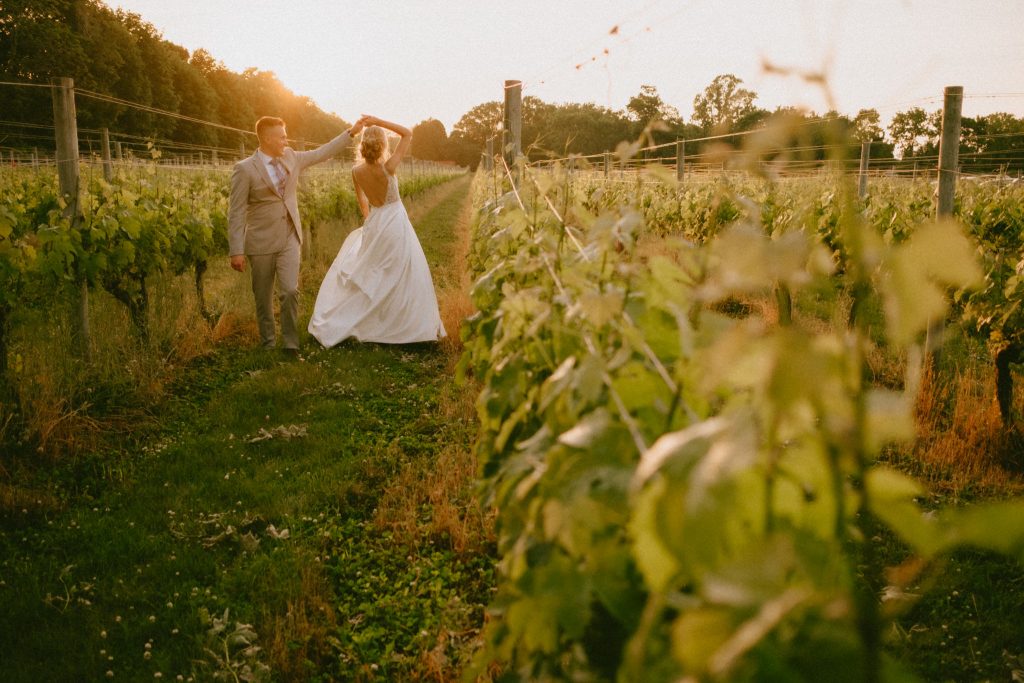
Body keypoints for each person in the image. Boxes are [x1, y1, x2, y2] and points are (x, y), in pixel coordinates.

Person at [228, 114, 368, 355]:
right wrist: (236, 250)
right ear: (267, 139)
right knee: (262, 297)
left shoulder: (291, 157)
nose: (286, 140)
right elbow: (236, 211)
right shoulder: (244, 170)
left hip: (290, 238)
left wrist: (351, 132)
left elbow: (322, 152)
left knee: (290, 291)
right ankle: (268, 343)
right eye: (282, 137)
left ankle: (291, 345)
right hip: (260, 242)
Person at [307, 116, 446, 346]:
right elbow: (407, 133)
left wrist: (369, 222)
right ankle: (399, 323)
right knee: (400, 271)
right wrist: (379, 122)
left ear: (363, 144)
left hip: (375, 220)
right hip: (394, 221)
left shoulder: (356, 171)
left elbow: (361, 200)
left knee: (375, 272)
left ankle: (374, 319)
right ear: (382, 144)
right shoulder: (389, 167)